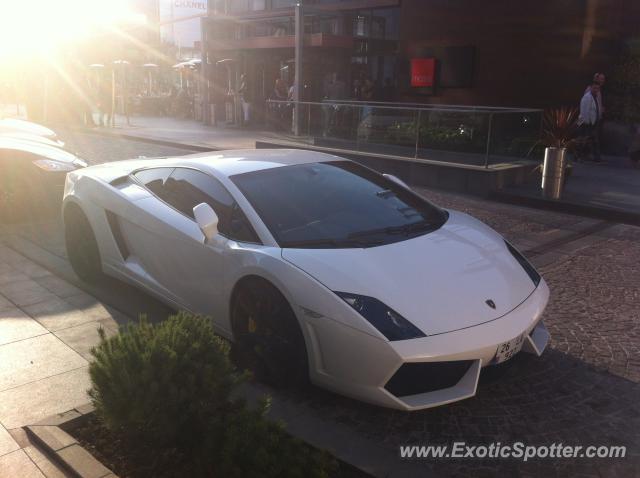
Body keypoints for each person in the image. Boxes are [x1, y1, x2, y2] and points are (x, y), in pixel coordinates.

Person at [577, 82, 602, 162]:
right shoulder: (587, 97)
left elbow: (595, 109)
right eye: (594, 88)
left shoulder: (595, 97)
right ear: (591, 88)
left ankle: (590, 156)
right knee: (584, 140)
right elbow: (584, 111)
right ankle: (579, 156)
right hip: (587, 123)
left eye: (597, 88)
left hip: (592, 123)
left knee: (589, 140)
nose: (596, 90)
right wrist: (587, 123)